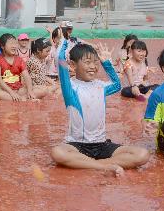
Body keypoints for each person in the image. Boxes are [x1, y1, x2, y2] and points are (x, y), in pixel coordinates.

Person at [50, 41, 150, 176]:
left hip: (101, 144)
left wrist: (106, 62)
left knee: (142, 154)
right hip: (77, 145)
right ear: (73, 65)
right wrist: (64, 40)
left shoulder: (100, 86)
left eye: (95, 62)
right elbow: (60, 61)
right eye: (87, 62)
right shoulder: (71, 88)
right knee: (58, 153)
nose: (93, 66)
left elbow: (116, 85)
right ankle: (105, 165)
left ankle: (92, 164)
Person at [0, 33, 48, 101]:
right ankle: (24, 100)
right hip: (4, 90)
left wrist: (30, 91)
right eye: (11, 44)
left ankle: (18, 99)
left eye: (15, 43)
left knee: (43, 89)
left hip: (18, 90)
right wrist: (11, 92)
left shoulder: (19, 60)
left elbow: (27, 77)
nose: (14, 46)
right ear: (2, 46)